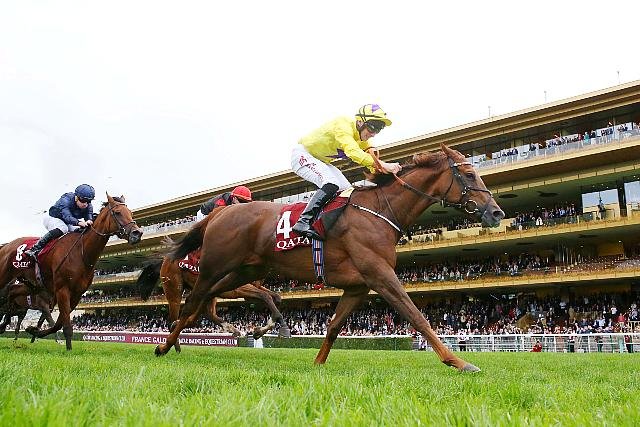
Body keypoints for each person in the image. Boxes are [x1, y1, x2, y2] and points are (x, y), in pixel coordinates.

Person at [290, 104, 402, 240]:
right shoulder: (342, 124)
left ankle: (328, 226)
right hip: (303, 154)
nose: (373, 133)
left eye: (378, 129)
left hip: (321, 161)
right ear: (360, 121)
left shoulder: (363, 140)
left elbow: (372, 163)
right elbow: (353, 152)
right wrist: (384, 165)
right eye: (372, 127)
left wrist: (385, 172)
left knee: (347, 191)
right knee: (331, 183)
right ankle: (303, 222)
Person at [25, 184, 96, 260]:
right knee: (63, 228)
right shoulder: (65, 200)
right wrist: (79, 222)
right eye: (83, 200)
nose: (85, 204)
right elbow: (67, 216)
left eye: (88, 201)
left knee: (79, 230)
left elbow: (89, 216)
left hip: (67, 222)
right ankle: (35, 249)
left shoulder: (88, 206)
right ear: (76, 197)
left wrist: (89, 220)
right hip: (52, 218)